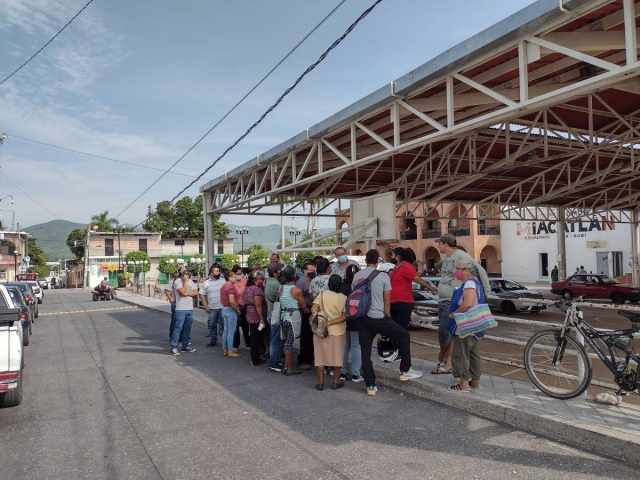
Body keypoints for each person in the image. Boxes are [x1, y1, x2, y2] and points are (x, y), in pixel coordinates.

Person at [354, 249, 422, 396]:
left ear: (365, 261)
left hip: (362, 319)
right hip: (378, 317)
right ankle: (405, 370)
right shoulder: (383, 276)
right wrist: (388, 317)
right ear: (377, 262)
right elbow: (387, 302)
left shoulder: (357, 276)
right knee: (404, 336)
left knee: (365, 351)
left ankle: (370, 386)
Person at [432, 234, 490, 375]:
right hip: (443, 299)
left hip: (451, 300)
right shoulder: (446, 258)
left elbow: (479, 270)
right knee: (445, 333)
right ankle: (447, 362)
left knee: (446, 331)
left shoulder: (461, 256)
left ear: (445, 244)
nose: (438, 245)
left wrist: (485, 292)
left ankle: (445, 360)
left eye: (439, 243)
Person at [447, 258, 485, 392]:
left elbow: (467, 303)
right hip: (475, 324)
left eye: (458, 269)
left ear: (466, 270)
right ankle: (476, 381)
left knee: (461, 353)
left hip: (465, 324)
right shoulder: (476, 282)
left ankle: (463, 384)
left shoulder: (469, 284)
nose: (456, 272)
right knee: (473, 353)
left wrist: (454, 314)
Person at [311, 274, 347, 390]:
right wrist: (331, 322)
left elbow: (313, 309)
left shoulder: (322, 295)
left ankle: (320, 383)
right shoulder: (344, 298)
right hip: (338, 331)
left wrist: (322, 320)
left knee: (320, 356)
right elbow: (344, 317)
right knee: (337, 356)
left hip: (321, 331)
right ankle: (336, 381)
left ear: (329, 284)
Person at [389, 247, 437, 330]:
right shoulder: (395, 267)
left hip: (403, 302)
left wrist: (430, 287)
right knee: (395, 327)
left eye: (393, 255)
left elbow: (416, 278)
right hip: (394, 302)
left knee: (401, 327)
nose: (391, 257)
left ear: (398, 257)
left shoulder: (406, 266)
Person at [278, 266, 309, 376]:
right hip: (292, 318)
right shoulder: (296, 290)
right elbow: (303, 305)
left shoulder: (281, 288)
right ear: (294, 276)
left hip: (283, 317)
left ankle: (286, 366)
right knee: (289, 343)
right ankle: (290, 368)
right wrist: (306, 309)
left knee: (287, 341)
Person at [339, 264, 362, 382]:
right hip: (355, 318)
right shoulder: (358, 286)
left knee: (345, 345)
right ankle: (356, 374)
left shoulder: (342, 286)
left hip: (343, 318)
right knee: (356, 346)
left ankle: (343, 372)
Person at [170, 267, 198, 355]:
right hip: (181, 309)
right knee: (178, 328)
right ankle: (173, 347)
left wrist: (187, 294)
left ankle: (185, 346)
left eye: (189, 272)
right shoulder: (177, 281)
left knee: (187, 328)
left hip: (189, 308)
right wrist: (185, 281)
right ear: (182, 273)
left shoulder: (191, 281)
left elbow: (196, 292)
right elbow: (182, 292)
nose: (188, 274)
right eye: (186, 272)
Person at [243, 271, 267, 366]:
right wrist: (262, 318)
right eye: (260, 279)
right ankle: (255, 359)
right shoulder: (257, 290)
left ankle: (255, 358)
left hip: (249, 313)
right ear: (255, 279)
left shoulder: (247, 288)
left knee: (254, 337)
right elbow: (258, 304)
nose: (262, 281)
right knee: (256, 338)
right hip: (256, 316)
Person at [295, 261, 316, 370]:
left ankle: (311, 357)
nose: (313, 272)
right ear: (305, 271)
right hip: (305, 312)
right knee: (305, 337)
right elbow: (297, 298)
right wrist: (304, 308)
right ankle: (303, 360)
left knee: (312, 337)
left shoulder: (314, 281)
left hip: (313, 311)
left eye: (314, 270)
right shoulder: (301, 283)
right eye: (311, 270)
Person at [200, 264, 226, 347]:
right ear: (211, 273)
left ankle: (226, 342)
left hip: (223, 307)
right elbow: (201, 295)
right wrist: (205, 306)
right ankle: (213, 341)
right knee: (212, 325)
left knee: (224, 325)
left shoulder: (223, 281)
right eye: (216, 271)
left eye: (218, 271)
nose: (218, 272)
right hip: (212, 308)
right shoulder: (206, 283)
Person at [265, 262, 284, 372]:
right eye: (279, 269)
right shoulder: (276, 285)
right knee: (275, 339)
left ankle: (276, 359)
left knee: (275, 338)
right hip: (275, 313)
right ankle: (273, 363)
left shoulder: (269, 281)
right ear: (276, 273)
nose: (281, 271)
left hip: (271, 312)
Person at [220, 270, 242, 358]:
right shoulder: (231, 287)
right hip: (231, 310)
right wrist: (237, 310)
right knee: (231, 332)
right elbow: (232, 301)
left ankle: (225, 349)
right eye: (234, 276)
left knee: (226, 330)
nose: (235, 277)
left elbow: (221, 300)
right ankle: (230, 351)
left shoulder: (223, 287)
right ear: (229, 277)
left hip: (224, 308)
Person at [231, 265, 250, 352]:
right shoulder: (232, 283)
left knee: (246, 326)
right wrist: (237, 304)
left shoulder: (245, 281)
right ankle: (235, 345)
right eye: (237, 273)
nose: (239, 275)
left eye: (240, 273)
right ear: (234, 274)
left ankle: (248, 343)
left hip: (245, 306)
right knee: (235, 326)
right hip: (236, 306)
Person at [164, 272, 182, 344]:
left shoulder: (185, 281)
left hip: (183, 304)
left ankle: (181, 338)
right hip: (175, 303)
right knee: (175, 321)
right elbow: (166, 290)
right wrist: (170, 298)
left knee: (182, 321)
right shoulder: (174, 281)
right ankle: (172, 337)